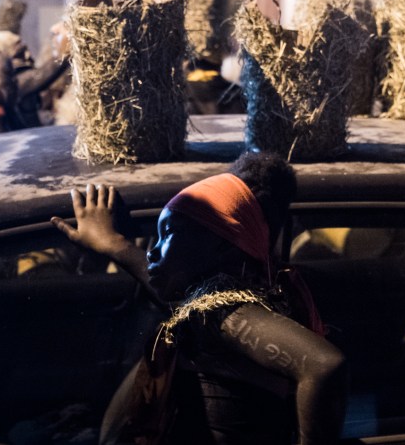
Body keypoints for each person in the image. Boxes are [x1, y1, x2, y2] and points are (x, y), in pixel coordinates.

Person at [50, 151, 347, 445]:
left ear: (222, 245)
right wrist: (114, 244)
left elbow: (324, 364)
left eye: (169, 233)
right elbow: (180, 300)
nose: (153, 250)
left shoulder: (225, 312)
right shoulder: (223, 301)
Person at [0, 28, 70, 128]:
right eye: (17, 45)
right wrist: (65, 53)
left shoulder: (4, 80)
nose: (23, 48)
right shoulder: (8, 83)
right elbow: (42, 75)